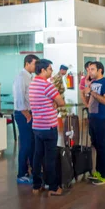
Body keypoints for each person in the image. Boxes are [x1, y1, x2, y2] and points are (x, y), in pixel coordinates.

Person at [29, 59, 67, 197]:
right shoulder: (47, 85)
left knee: (37, 156)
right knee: (50, 158)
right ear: (43, 70)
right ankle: (53, 187)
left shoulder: (33, 84)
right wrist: (55, 103)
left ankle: (36, 185)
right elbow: (61, 102)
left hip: (37, 126)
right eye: (50, 69)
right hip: (49, 126)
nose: (52, 71)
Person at [83, 61, 105, 184]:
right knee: (95, 145)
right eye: (89, 69)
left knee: (102, 146)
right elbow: (87, 100)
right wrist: (85, 90)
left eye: (92, 69)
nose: (89, 72)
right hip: (92, 117)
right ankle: (98, 172)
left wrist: (92, 92)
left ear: (100, 70)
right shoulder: (92, 83)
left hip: (101, 118)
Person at [12, 54, 38, 184]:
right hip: (23, 115)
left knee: (32, 143)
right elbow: (19, 99)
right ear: (27, 64)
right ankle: (21, 173)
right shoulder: (21, 78)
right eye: (34, 64)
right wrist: (27, 115)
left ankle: (33, 171)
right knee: (26, 144)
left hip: (30, 114)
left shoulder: (30, 77)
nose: (36, 66)